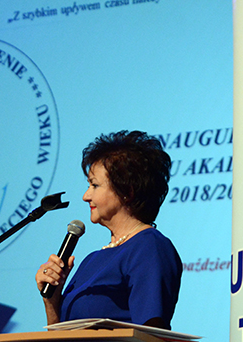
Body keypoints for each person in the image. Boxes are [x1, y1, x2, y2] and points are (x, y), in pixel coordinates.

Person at [36, 130, 182, 329]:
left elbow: (152, 334)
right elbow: (60, 340)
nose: (85, 196)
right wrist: (51, 301)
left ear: (127, 191)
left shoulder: (148, 246)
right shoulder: (91, 260)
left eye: (94, 185)